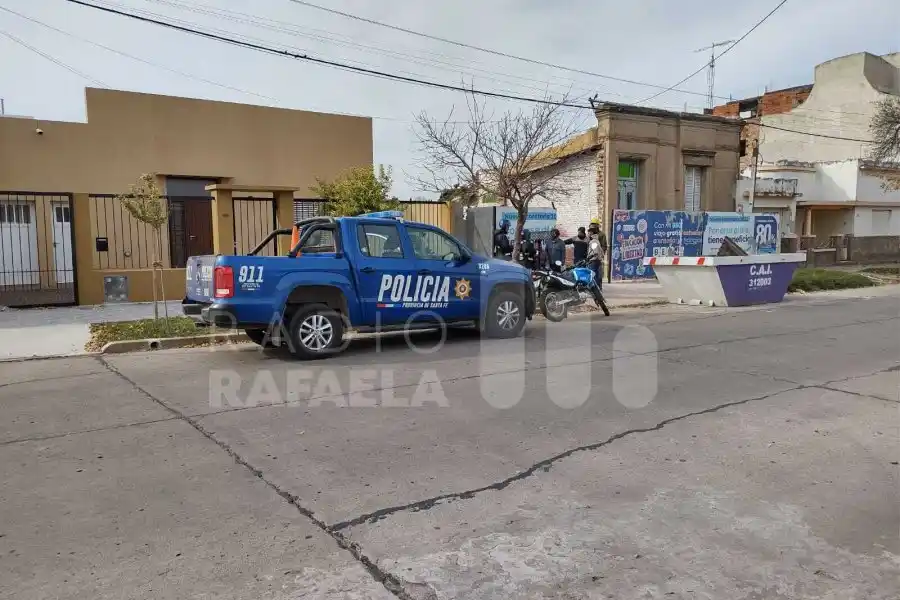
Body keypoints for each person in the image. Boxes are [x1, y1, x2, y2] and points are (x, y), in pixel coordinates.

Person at [587, 219, 609, 289]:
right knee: (594, 273)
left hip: (596, 257)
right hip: (592, 256)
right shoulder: (590, 235)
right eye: (592, 224)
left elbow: (604, 246)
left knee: (597, 274)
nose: (592, 225)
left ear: (597, 225)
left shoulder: (601, 234)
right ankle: (595, 288)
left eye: (594, 224)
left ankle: (598, 288)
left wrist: (601, 255)